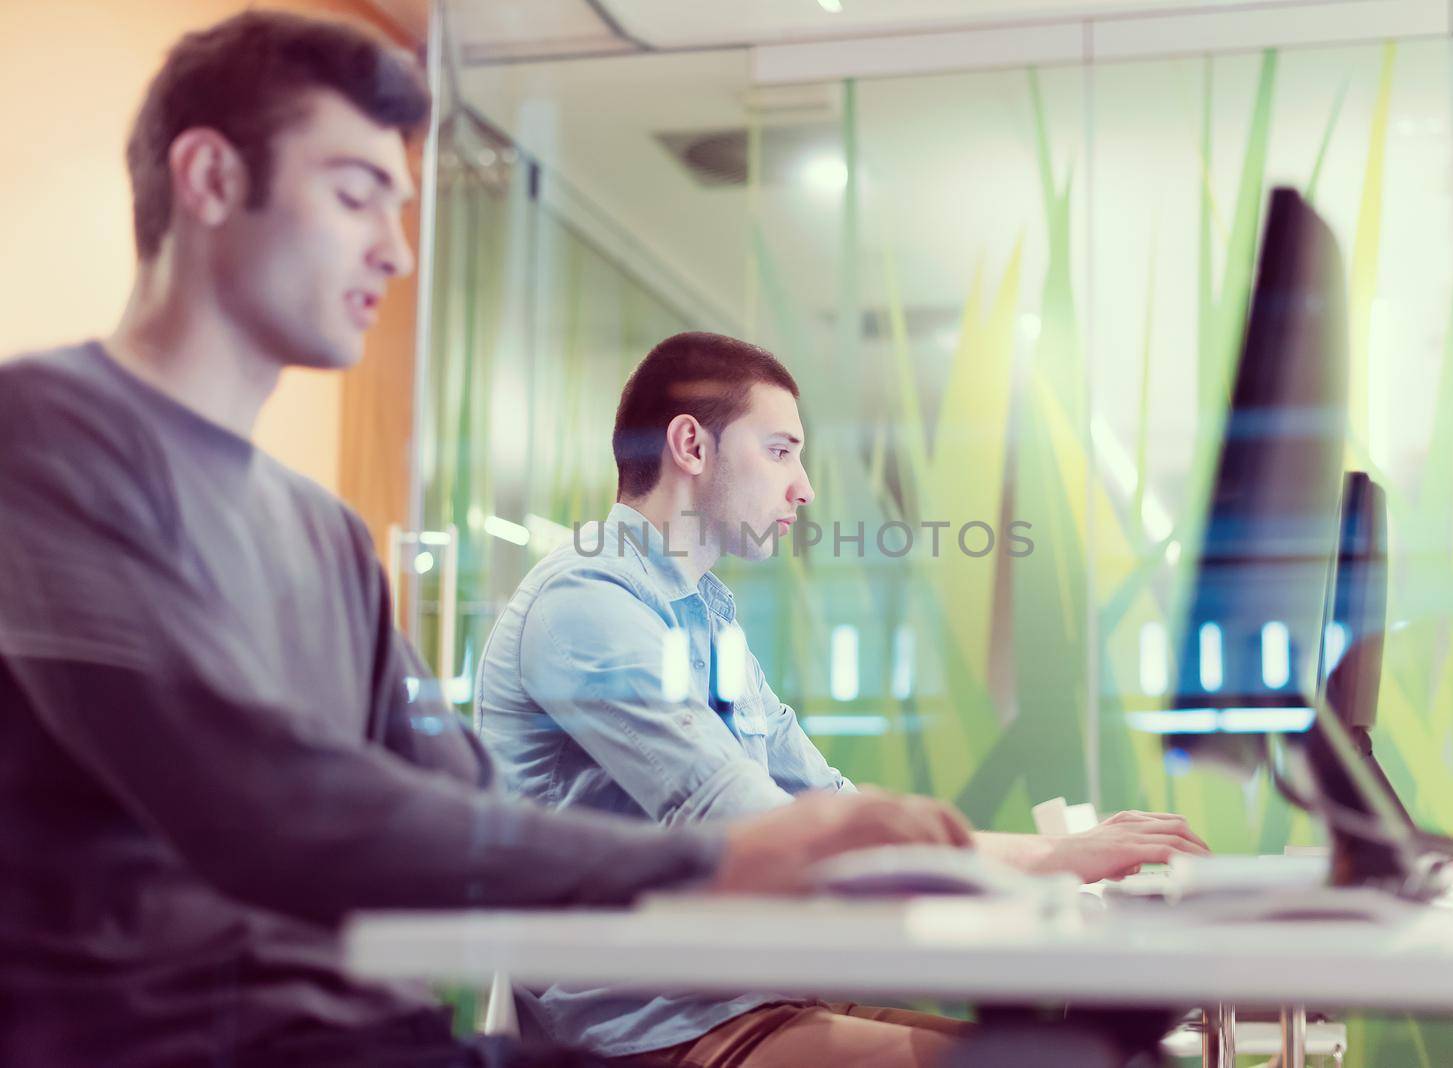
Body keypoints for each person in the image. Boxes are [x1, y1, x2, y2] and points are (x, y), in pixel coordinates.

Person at [0, 15, 973, 1068]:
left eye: (401, 205)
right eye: (354, 193)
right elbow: (266, 803)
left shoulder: (319, 532)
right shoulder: (44, 437)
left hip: (382, 1039)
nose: (397, 248)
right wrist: (718, 860)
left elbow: (456, 802)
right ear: (209, 179)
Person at [476, 331, 1211, 1066]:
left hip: (745, 1000)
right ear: (691, 447)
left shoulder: (706, 618)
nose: (805, 485)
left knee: (1092, 1055)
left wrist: (1058, 854)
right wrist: (1037, 863)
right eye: (780, 450)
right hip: (654, 1030)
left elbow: (830, 804)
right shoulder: (586, 602)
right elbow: (750, 825)